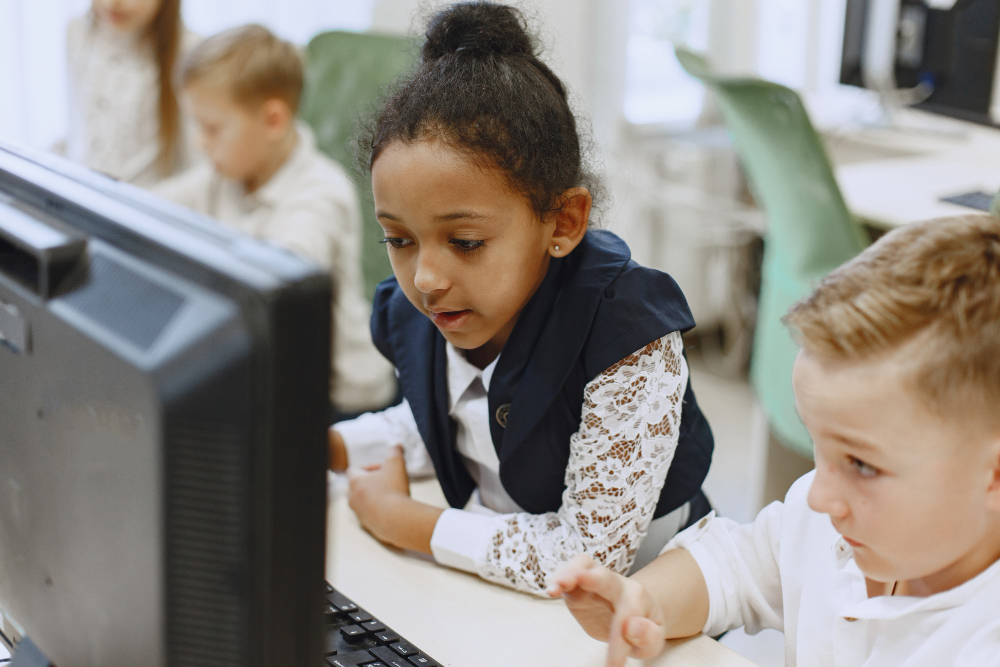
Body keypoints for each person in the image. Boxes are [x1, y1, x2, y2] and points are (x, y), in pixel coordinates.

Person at [327, 1, 715, 596]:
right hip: (502, 592)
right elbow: (450, 420)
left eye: (465, 241)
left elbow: (586, 558)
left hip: (642, 611)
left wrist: (410, 523)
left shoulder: (628, 335)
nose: (426, 276)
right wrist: (331, 445)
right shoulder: (431, 307)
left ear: (562, 222)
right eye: (399, 239)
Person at [549, 213, 1000, 666]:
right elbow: (735, 565)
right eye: (817, 448)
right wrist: (645, 603)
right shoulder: (830, 521)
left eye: (862, 465)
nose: (820, 495)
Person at [155, 24, 396, 415]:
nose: (200, 141)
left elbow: (277, 286)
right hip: (273, 373)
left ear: (272, 121)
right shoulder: (224, 175)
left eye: (212, 128)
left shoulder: (321, 192)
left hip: (343, 396)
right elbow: (150, 209)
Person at [59, 0, 199, 187]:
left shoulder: (190, 51)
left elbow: (198, 165)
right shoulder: (77, 31)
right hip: (81, 197)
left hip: (148, 206)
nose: (112, 3)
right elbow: (78, 129)